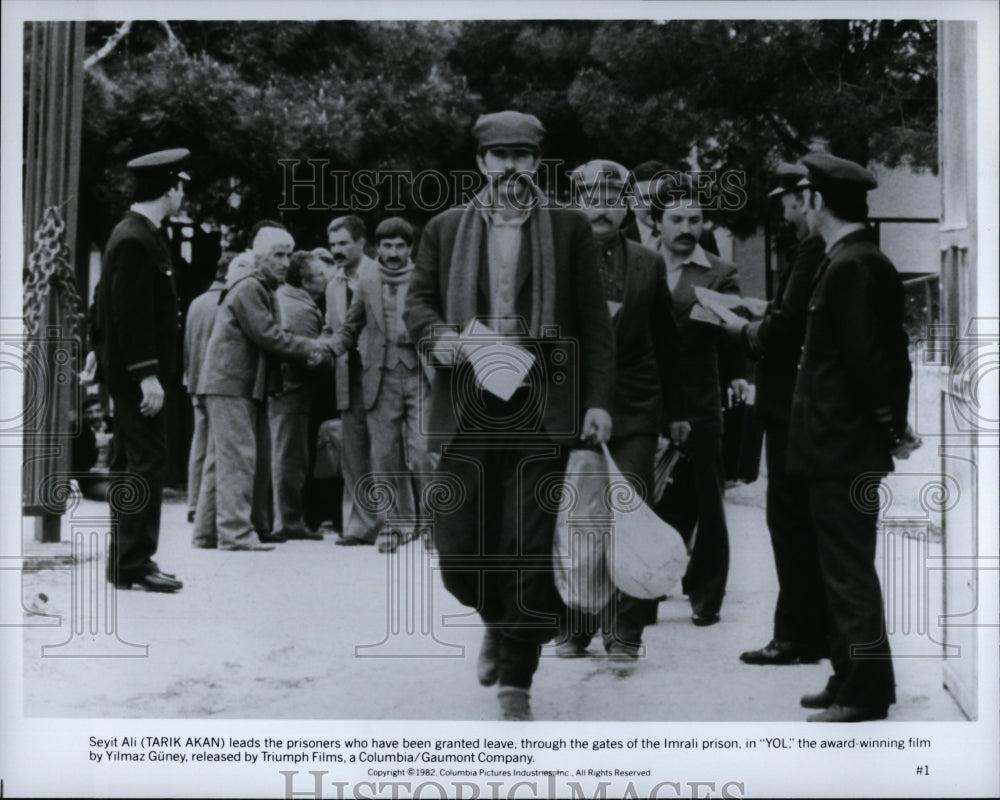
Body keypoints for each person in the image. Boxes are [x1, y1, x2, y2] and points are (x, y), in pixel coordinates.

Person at [404, 111, 616, 720]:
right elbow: (417, 302)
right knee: (460, 549)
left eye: (523, 156)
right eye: (500, 156)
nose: (512, 167)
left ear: (536, 164)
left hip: (541, 409)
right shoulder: (445, 229)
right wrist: (441, 337)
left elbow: (594, 325)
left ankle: (516, 680)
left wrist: (598, 400)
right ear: (481, 164)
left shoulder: (568, 229)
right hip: (466, 408)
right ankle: (494, 616)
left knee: (525, 547)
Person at [789, 152, 917, 722]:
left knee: (847, 572)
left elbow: (873, 362)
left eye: (804, 197)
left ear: (817, 201)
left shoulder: (852, 265)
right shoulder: (852, 258)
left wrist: (892, 425)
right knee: (836, 568)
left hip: (842, 446)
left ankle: (865, 691)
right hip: (833, 445)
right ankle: (847, 676)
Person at [557, 159, 689, 660]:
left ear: (627, 207)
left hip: (634, 408)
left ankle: (625, 630)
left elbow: (665, 343)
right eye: (590, 197)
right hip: (572, 409)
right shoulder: (557, 262)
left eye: (612, 198)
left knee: (630, 511)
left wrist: (676, 412)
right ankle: (574, 623)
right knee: (575, 518)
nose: (601, 208)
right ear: (575, 203)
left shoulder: (646, 263)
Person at [723, 163, 830, 665]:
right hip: (799, 404)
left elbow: (787, 330)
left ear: (806, 199)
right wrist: (760, 307)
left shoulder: (812, 248)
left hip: (789, 405)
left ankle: (795, 637)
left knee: (789, 523)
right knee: (799, 523)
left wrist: (745, 330)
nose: (786, 212)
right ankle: (810, 631)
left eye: (790, 201)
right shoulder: (818, 248)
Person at [650, 173, 749, 626]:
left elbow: (732, 329)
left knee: (708, 503)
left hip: (700, 400)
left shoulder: (719, 273)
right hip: (647, 400)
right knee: (652, 501)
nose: (686, 228)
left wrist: (740, 377)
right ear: (659, 223)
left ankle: (706, 595)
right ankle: (644, 589)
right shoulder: (640, 264)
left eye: (694, 218)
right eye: (676, 219)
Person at [91, 148, 188, 593]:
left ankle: (124, 562)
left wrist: (100, 347)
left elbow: (102, 300)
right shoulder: (137, 237)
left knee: (131, 463)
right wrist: (147, 373)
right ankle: (135, 561)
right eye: (181, 187)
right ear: (170, 189)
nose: (183, 194)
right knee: (146, 462)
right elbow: (130, 313)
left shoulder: (129, 233)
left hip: (125, 370)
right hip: (138, 376)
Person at [194, 227, 324, 551]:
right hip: (233, 383)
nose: (284, 263)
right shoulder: (251, 287)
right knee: (238, 457)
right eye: (277, 255)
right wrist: (313, 347)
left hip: (229, 382)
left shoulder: (254, 285)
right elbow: (268, 335)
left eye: (287, 255)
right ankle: (236, 534)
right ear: (259, 257)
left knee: (220, 460)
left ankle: (208, 533)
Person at [328, 217, 432, 554]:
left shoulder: (426, 278)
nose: (393, 253)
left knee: (423, 452)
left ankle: (434, 525)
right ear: (377, 248)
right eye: (387, 246)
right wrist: (326, 348)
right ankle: (393, 525)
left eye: (400, 246)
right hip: (380, 376)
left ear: (410, 248)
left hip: (420, 374)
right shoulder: (367, 281)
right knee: (383, 454)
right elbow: (350, 326)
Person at [325, 216, 382, 546]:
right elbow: (332, 328)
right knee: (354, 452)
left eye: (343, 243)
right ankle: (361, 525)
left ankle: (396, 522)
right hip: (348, 376)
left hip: (381, 374)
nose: (337, 250)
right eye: (333, 244)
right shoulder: (333, 285)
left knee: (388, 451)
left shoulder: (381, 274)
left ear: (362, 243)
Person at [268, 250, 330, 541]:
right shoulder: (303, 310)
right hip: (294, 395)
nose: (325, 279)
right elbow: (312, 358)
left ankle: (281, 518)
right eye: (320, 275)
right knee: (291, 459)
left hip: (283, 394)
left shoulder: (284, 298)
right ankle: (289, 520)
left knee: (283, 456)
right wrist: (331, 355)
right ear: (306, 281)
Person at [184, 251, 233, 524]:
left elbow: (188, 343)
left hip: (194, 379)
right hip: (217, 381)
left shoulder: (196, 303)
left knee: (199, 444)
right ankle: (207, 505)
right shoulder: (229, 303)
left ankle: (194, 503)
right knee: (217, 447)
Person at [72, 396, 116, 502]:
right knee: (118, 494)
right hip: (93, 481)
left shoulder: (115, 427)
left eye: (98, 411)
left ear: (104, 411)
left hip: (118, 475)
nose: (95, 415)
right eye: (89, 412)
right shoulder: (79, 435)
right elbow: (78, 468)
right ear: (83, 415)